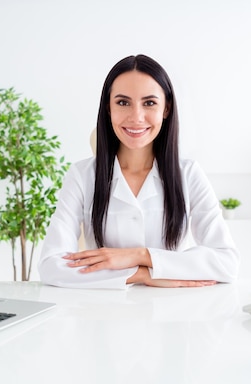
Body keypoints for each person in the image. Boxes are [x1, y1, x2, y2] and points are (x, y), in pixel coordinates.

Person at [38, 54, 240, 289]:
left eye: (149, 103)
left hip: (171, 314)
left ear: (166, 108)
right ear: (108, 108)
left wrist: (140, 255)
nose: (136, 117)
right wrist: (141, 274)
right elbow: (52, 267)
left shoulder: (189, 174)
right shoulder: (82, 175)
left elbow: (227, 263)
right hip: (102, 314)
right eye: (123, 102)